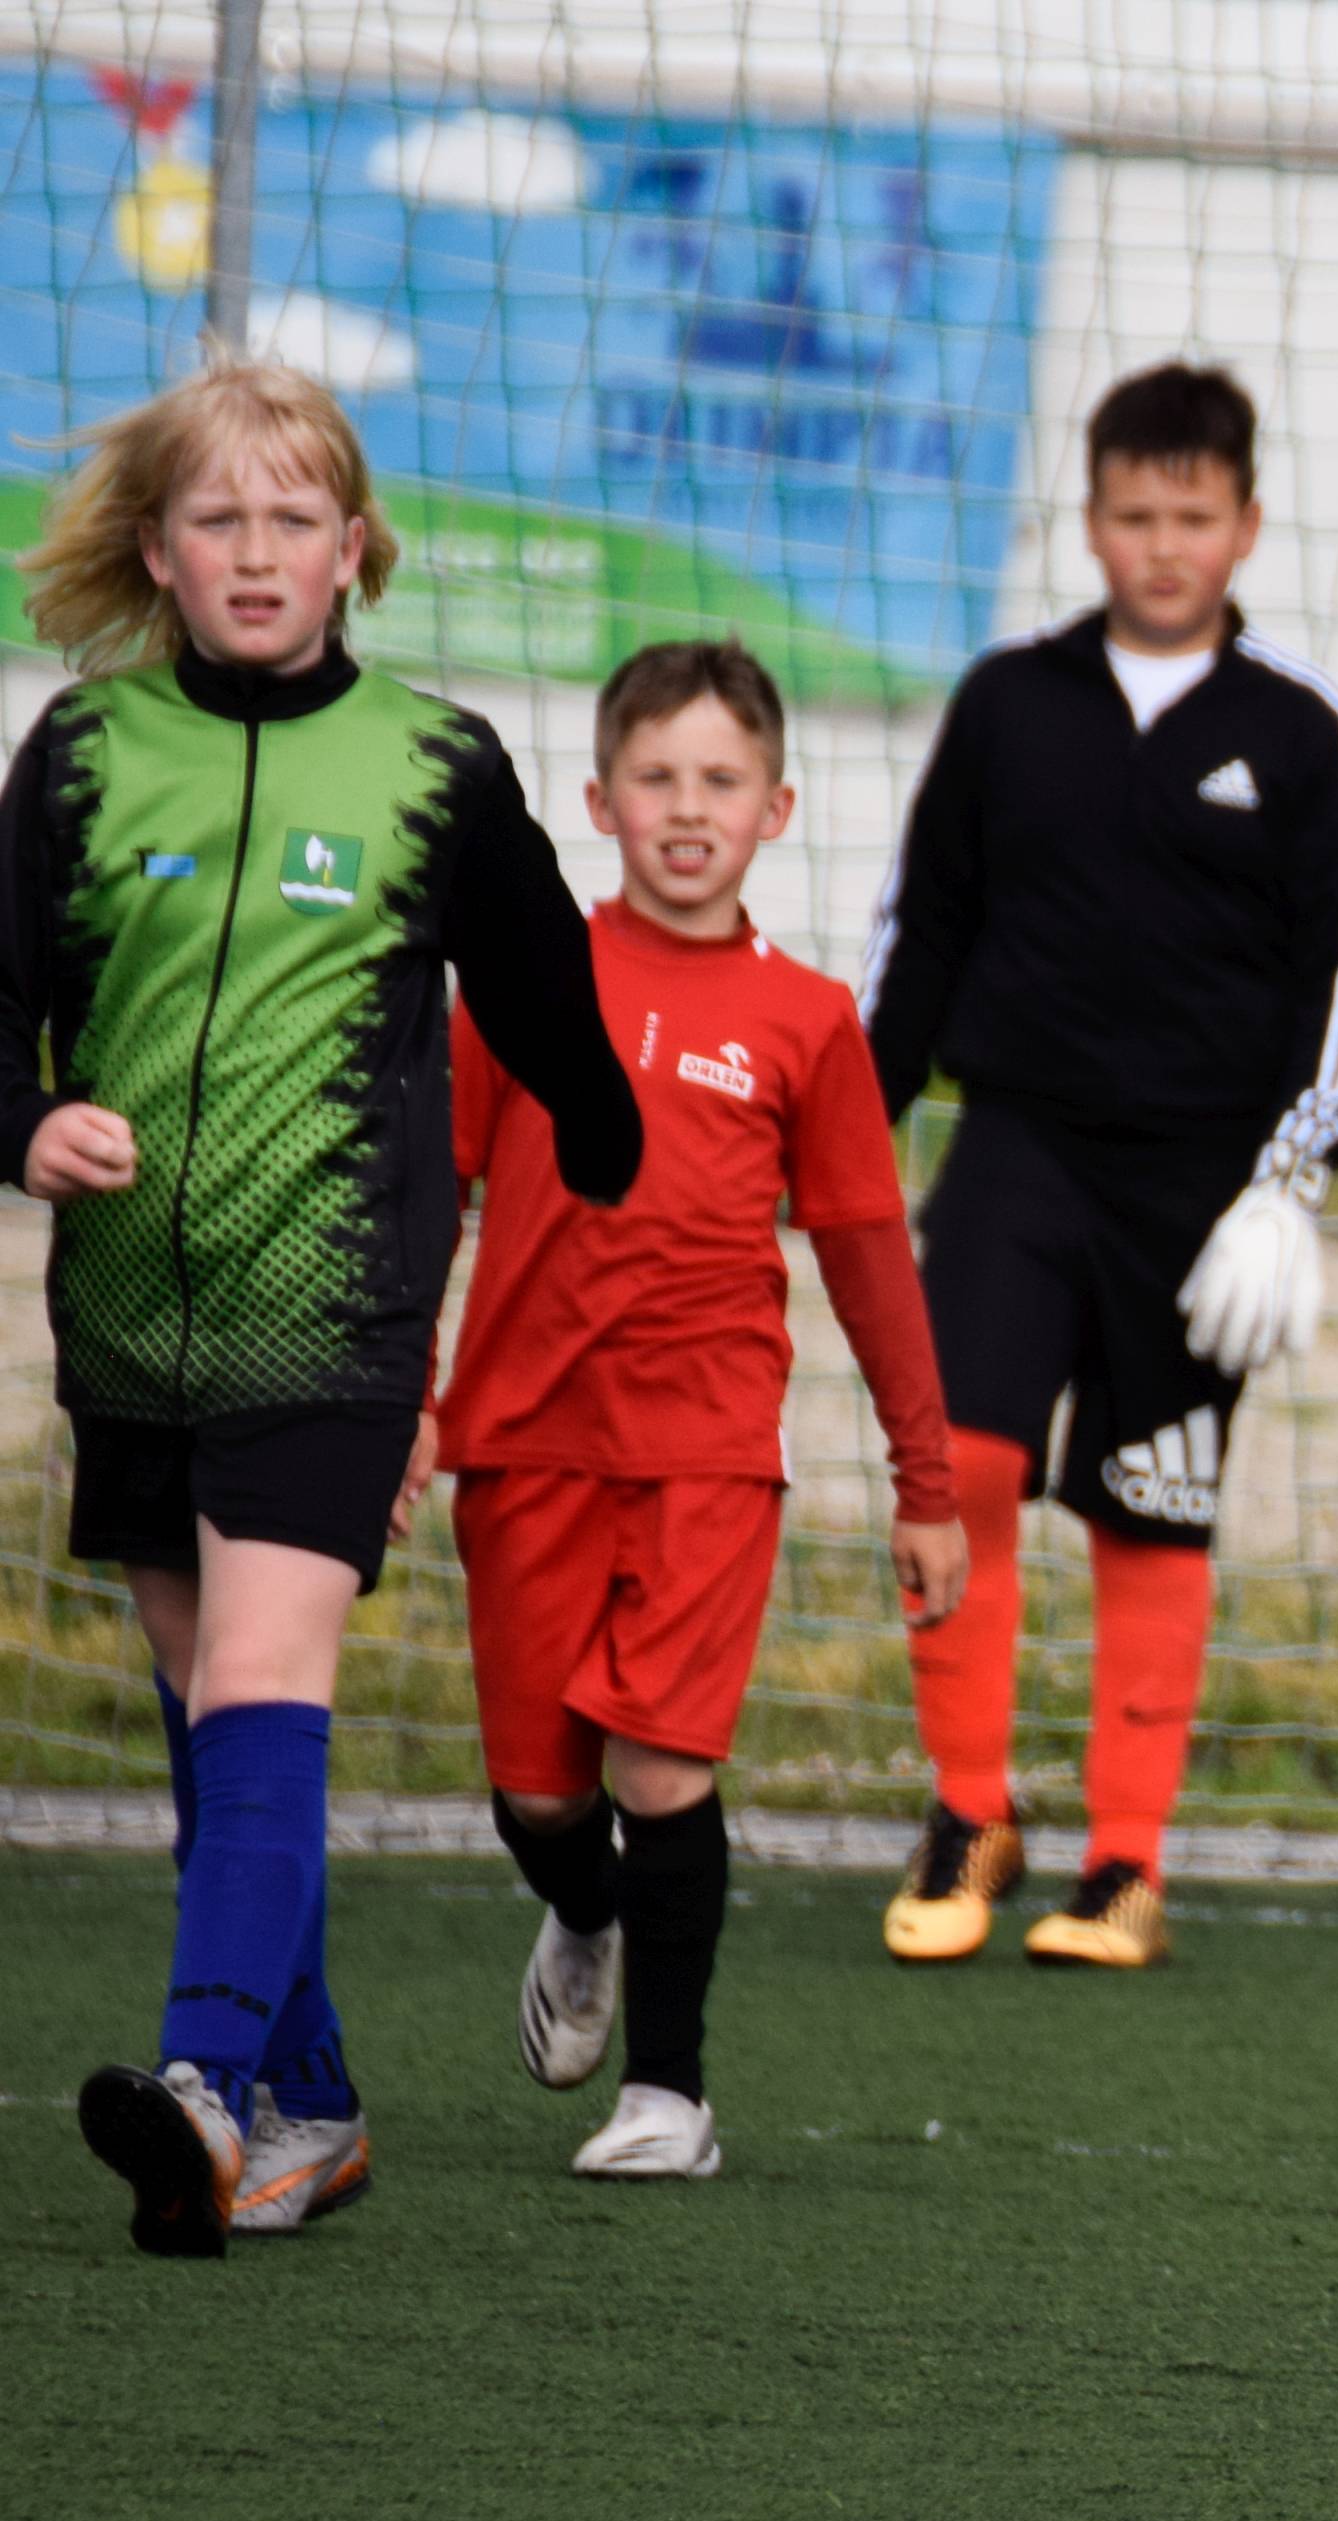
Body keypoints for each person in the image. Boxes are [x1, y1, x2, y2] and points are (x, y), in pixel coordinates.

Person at [0, 357, 640, 2259]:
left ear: (355, 551)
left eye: (295, 519)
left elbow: (543, 998)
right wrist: (25, 1125)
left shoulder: (437, 767)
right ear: (159, 552)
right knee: (209, 1710)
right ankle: (318, 2101)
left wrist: (612, 1133)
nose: (258, 550)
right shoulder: (82, 754)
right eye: (220, 519)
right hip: (131, 1324)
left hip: (337, 1315)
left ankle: (202, 2090)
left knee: (267, 1684)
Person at [861, 359, 1338, 1971]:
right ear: (1088, 521)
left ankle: (1125, 1861)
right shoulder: (1007, 704)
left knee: (1151, 1509)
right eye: (1135, 515)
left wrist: (1291, 1177)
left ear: (1246, 527)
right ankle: (969, 1812)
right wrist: (848, 1130)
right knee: (959, 1467)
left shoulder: (1299, 730)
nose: (1164, 545)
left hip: (1202, 1191)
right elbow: (920, 934)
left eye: (1194, 517)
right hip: (1016, 1153)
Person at [411, 639, 962, 2181]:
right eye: (656, 777)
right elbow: (427, 1200)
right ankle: (583, 1909)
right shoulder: (520, 982)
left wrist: (926, 1485)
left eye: (722, 779)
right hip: (523, 1441)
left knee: (660, 1768)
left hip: (710, 1452)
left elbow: (870, 1261)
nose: (689, 807)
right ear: (599, 801)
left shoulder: (809, 1019)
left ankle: (671, 2096)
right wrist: (405, 1402)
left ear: (777, 808)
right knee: (542, 1796)